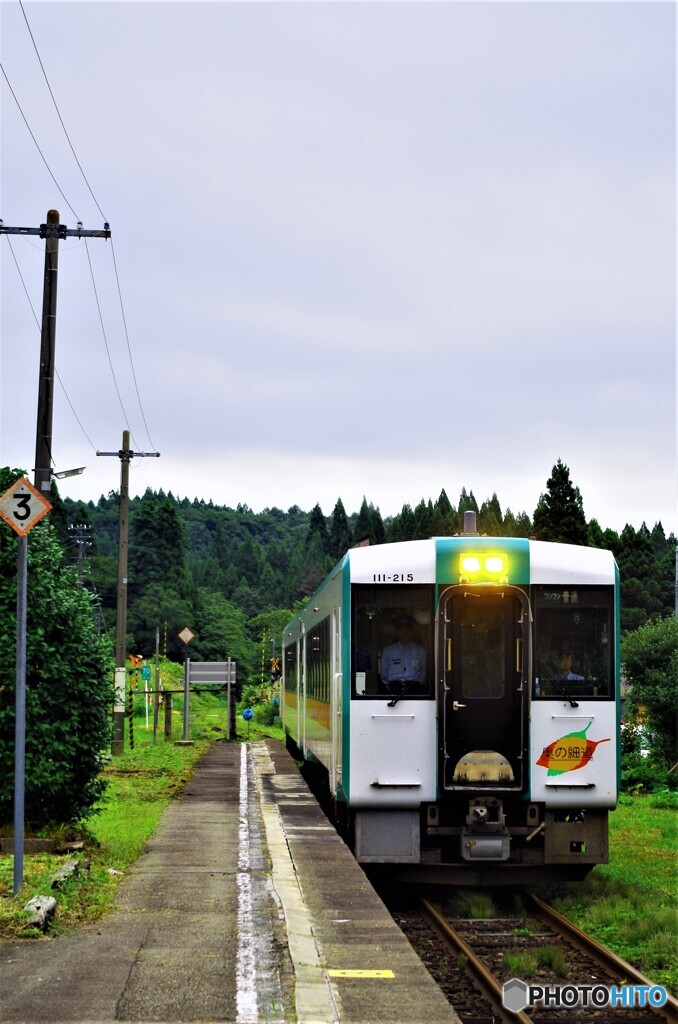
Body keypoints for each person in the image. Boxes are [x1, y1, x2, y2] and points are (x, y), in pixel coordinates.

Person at [380, 615, 427, 691]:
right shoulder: (388, 651)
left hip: (414, 690)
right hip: (395, 690)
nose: (406, 632)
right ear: (397, 632)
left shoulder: (420, 651)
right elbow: (384, 675)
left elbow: (423, 674)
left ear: (412, 632)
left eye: (408, 630)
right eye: (403, 630)